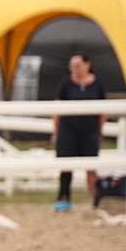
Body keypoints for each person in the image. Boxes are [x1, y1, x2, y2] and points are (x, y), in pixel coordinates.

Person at [52, 52, 106, 212]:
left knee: (91, 167)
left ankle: (96, 200)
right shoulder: (65, 84)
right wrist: (56, 131)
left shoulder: (98, 83)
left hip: (90, 131)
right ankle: (63, 198)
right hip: (68, 130)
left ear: (87, 64)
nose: (74, 68)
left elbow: (104, 109)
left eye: (77, 64)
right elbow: (56, 108)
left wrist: (99, 130)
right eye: (72, 65)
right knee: (66, 166)